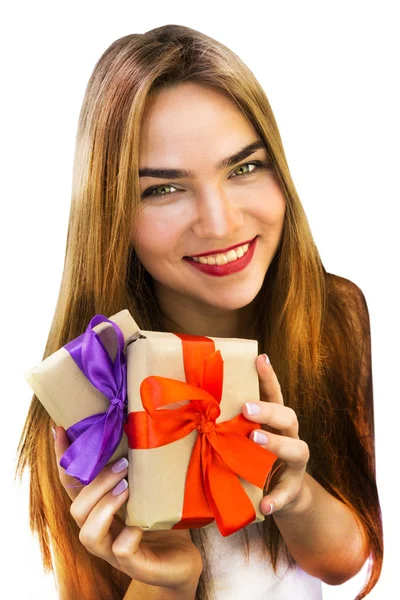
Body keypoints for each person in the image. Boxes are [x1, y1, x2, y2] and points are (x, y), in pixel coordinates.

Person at [16, 24, 383, 600]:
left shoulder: (331, 313)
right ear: (111, 212)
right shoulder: (92, 381)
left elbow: (345, 564)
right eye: (163, 189)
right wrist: (168, 576)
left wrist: (296, 491)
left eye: (244, 168)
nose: (221, 223)